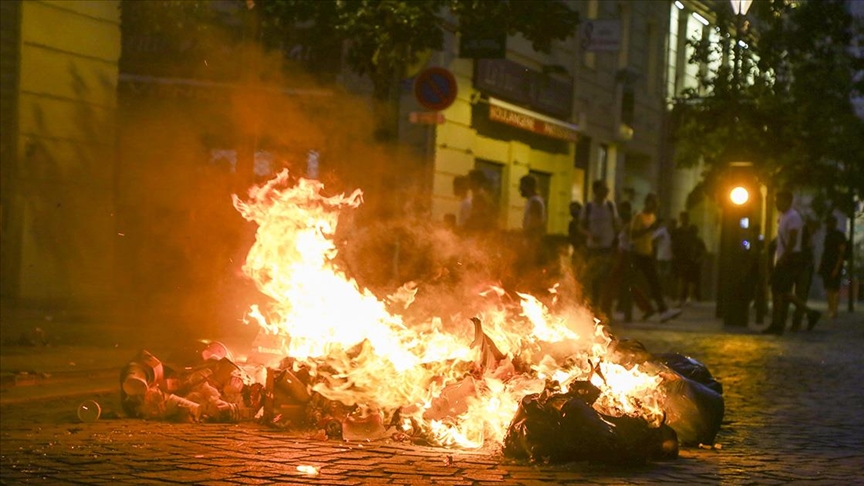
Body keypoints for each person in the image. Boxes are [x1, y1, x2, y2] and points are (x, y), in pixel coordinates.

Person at [763, 190, 821, 335]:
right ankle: (780, 322)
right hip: (786, 257)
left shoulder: (793, 217)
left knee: (780, 290)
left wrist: (785, 256)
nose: (776, 203)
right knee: (780, 290)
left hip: (790, 258)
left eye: (779, 200)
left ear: (787, 201)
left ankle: (785, 321)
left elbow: (793, 239)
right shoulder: (783, 216)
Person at [629, 193, 681, 322]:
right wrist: (650, 229)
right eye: (653, 203)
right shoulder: (639, 217)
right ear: (647, 202)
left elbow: (651, 237)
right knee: (631, 283)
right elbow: (633, 235)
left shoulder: (652, 217)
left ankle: (661, 310)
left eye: (657, 205)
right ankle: (635, 310)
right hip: (636, 254)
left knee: (654, 282)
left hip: (648, 254)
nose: (655, 207)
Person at [579, 180, 621, 317]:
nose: (606, 191)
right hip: (593, 249)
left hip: (607, 248)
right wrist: (590, 235)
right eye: (604, 188)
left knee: (606, 280)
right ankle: (594, 308)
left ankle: (604, 310)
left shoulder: (610, 206)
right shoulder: (588, 207)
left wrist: (618, 238)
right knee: (593, 280)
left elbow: (616, 224)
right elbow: (581, 226)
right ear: (596, 190)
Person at [791, 218, 819, 331]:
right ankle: (802, 318)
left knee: (800, 295)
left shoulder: (807, 236)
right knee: (800, 295)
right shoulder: (804, 235)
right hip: (802, 267)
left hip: (804, 267)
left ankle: (797, 321)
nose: (816, 231)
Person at [818, 214, 848, 319]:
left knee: (834, 289)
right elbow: (826, 252)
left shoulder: (839, 236)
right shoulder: (829, 235)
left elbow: (841, 253)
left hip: (834, 265)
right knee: (829, 289)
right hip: (827, 265)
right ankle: (831, 309)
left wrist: (837, 267)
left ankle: (833, 310)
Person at [519, 174, 547, 267]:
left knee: (530, 266)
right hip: (532, 240)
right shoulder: (532, 200)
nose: (520, 189)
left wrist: (525, 234)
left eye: (521, 186)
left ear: (527, 186)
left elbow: (535, 224)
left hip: (533, 241)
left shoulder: (535, 201)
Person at [653, 217, 675, 298]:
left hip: (669, 257)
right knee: (661, 276)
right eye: (670, 224)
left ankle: (666, 293)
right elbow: (653, 238)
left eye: (673, 225)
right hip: (661, 257)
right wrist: (656, 242)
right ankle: (660, 293)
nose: (671, 226)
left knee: (667, 276)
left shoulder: (673, 233)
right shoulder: (662, 231)